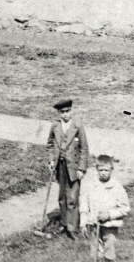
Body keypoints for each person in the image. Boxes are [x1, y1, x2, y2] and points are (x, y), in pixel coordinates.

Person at [46, 97, 89, 239]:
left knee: (73, 198)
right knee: (62, 197)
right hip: (61, 166)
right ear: (59, 113)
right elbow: (50, 145)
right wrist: (52, 160)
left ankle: (73, 228)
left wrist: (81, 169)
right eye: (62, 112)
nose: (65, 114)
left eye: (68, 111)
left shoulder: (78, 126)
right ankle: (64, 224)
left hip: (74, 167)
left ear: (72, 111)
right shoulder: (55, 126)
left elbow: (84, 149)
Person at [81, 155, 130, 261]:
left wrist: (109, 215)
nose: (103, 173)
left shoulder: (116, 187)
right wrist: (83, 223)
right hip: (93, 225)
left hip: (110, 226)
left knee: (109, 251)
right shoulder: (90, 186)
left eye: (106, 170)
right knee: (95, 252)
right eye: (100, 170)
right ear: (96, 170)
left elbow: (125, 208)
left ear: (111, 170)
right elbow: (84, 206)